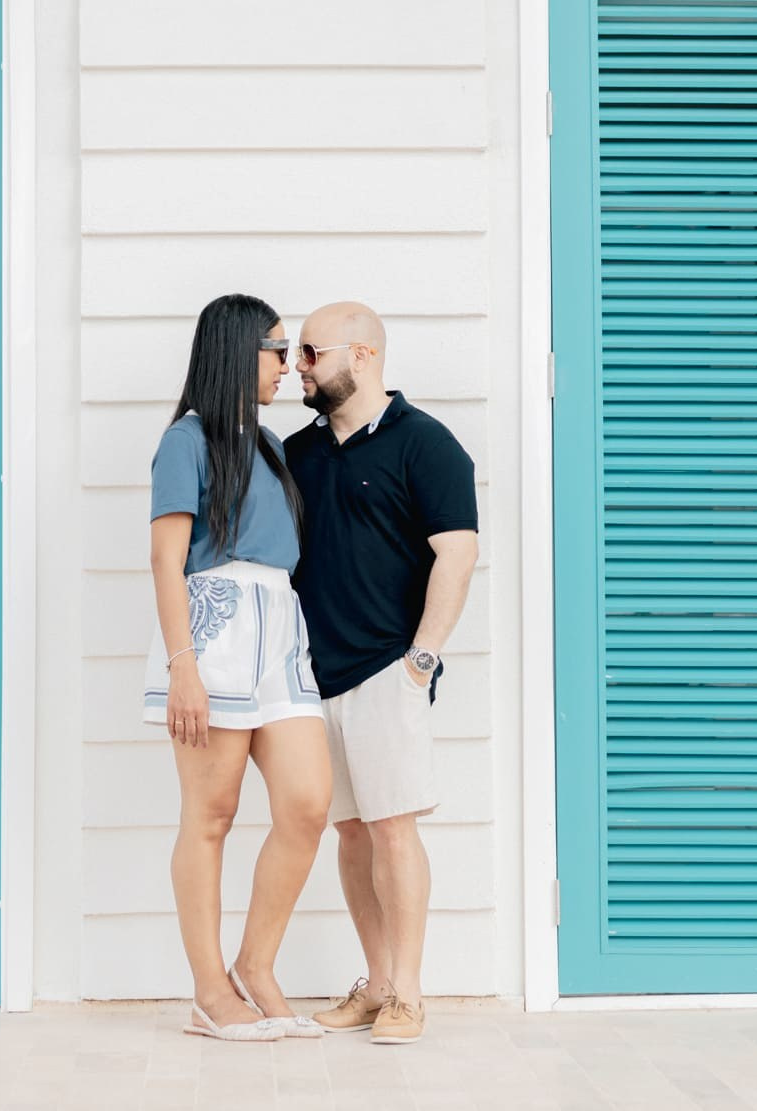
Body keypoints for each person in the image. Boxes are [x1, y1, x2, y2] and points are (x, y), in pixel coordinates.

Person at [286, 301, 478, 1047]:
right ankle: (375, 983)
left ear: (362, 354)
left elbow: (456, 555)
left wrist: (418, 661)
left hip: (386, 670)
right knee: (352, 832)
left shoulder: (426, 445)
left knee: (394, 829)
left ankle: (410, 991)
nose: (298, 366)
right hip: (312, 676)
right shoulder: (299, 454)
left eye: (310, 351)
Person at [143, 293, 333, 1043]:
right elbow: (165, 558)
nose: (288, 366)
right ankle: (209, 990)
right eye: (277, 350)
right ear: (235, 350)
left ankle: (257, 966)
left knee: (308, 801)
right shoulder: (185, 442)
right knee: (211, 814)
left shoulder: (272, 445)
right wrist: (184, 663)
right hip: (212, 626)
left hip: (279, 630)